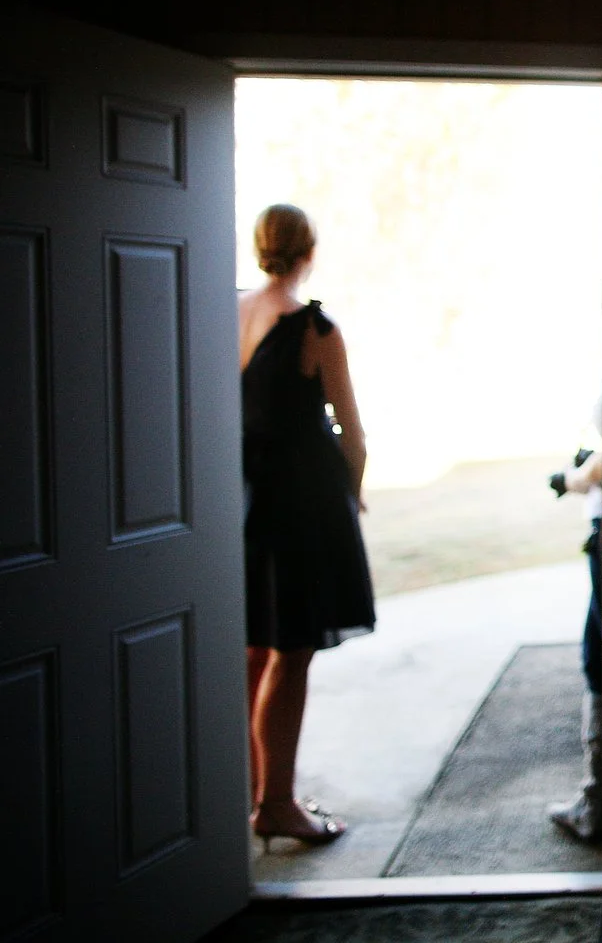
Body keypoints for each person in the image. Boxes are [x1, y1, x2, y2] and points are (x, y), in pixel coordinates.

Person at [239, 203, 375, 849]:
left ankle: (247, 789)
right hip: (301, 503)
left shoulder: (229, 312)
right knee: (291, 653)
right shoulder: (314, 327)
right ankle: (277, 804)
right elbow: (352, 431)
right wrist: (354, 492)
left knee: (253, 649)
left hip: (243, 500)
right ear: (308, 252)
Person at [544, 391, 602, 841]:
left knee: (599, 662)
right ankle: (598, 794)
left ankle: (597, 801)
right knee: (598, 658)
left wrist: (571, 478)